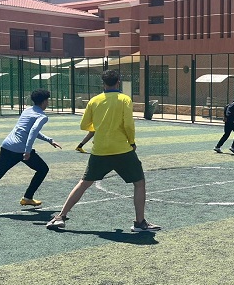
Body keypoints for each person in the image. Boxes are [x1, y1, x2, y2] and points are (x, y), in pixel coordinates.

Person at [46, 70, 161, 233]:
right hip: (122, 150)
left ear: (103, 83)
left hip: (100, 150)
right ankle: (139, 222)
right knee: (139, 183)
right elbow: (128, 125)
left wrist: (101, 127)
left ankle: (60, 216)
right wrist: (132, 142)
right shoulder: (124, 99)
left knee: (84, 183)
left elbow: (84, 125)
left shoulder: (94, 100)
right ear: (118, 82)